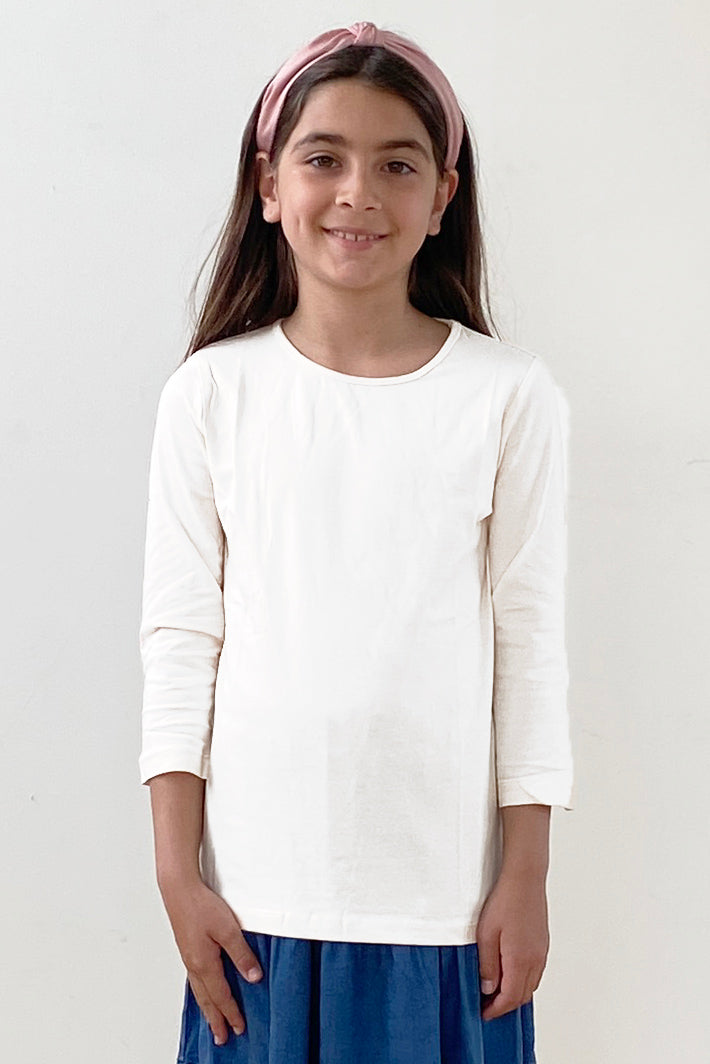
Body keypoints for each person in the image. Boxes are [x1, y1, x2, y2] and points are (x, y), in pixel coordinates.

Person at [138, 20, 574, 1064]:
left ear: (443, 196)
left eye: (397, 165)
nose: (357, 194)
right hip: (256, 911)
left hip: (443, 909)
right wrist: (177, 875)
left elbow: (528, 645)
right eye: (323, 159)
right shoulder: (211, 393)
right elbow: (180, 640)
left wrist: (525, 874)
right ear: (268, 185)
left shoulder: (508, 397)